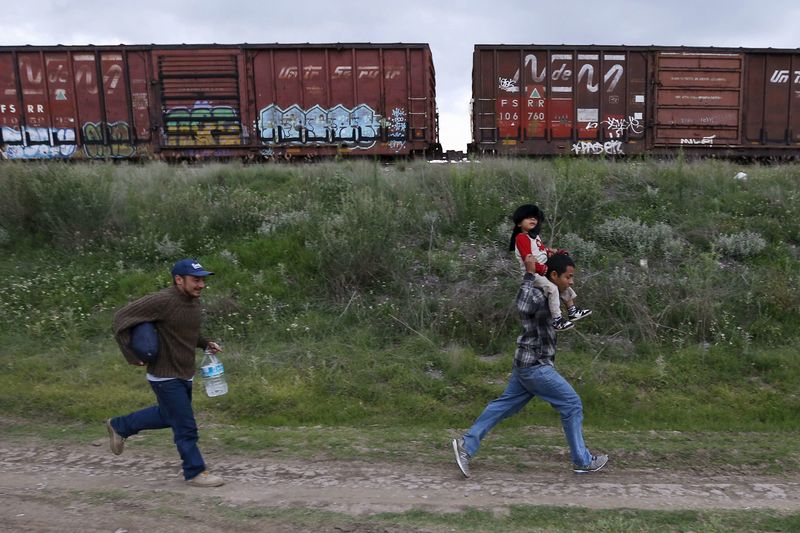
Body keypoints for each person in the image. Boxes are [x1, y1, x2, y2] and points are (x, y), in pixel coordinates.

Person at [452, 253, 608, 477]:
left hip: (527, 363)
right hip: (535, 365)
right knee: (572, 403)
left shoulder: (552, 293)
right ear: (554, 275)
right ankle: (582, 461)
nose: (572, 281)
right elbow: (522, 303)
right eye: (569, 277)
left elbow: (564, 306)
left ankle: (467, 446)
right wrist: (528, 273)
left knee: (504, 405)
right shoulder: (536, 292)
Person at [106, 258, 225, 487]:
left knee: (167, 416)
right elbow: (121, 318)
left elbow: (183, 332)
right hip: (164, 375)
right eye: (195, 280)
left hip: (184, 372)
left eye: (202, 280)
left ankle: (119, 426)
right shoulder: (162, 300)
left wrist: (205, 343)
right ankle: (195, 471)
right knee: (185, 425)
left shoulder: (193, 302)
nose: (201, 285)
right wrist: (131, 354)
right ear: (178, 280)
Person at [509, 203, 592, 331]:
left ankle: (572, 310)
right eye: (528, 217)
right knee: (553, 288)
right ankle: (557, 319)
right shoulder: (521, 238)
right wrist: (541, 269)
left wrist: (555, 252)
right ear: (519, 223)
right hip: (533, 273)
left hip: (544, 269)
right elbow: (528, 258)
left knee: (563, 283)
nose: (533, 220)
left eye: (535, 218)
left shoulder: (534, 236)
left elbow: (542, 251)